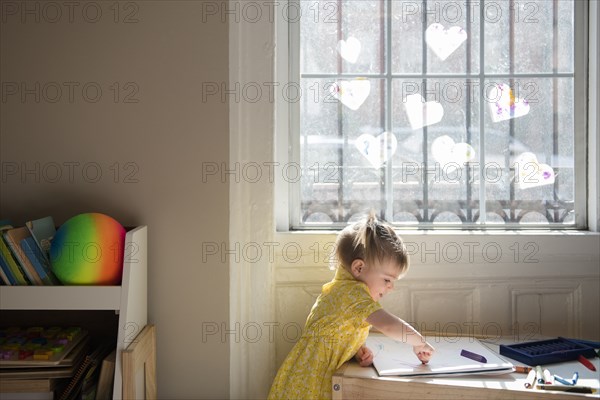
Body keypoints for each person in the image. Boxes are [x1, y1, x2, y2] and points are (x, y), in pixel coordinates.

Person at [268, 213, 435, 400]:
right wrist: (418, 341)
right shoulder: (352, 294)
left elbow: (337, 333)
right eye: (387, 279)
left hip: (308, 376)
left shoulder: (346, 291)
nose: (391, 287)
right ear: (359, 268)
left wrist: (356, 350)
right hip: (309, 383)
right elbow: (388, 325)